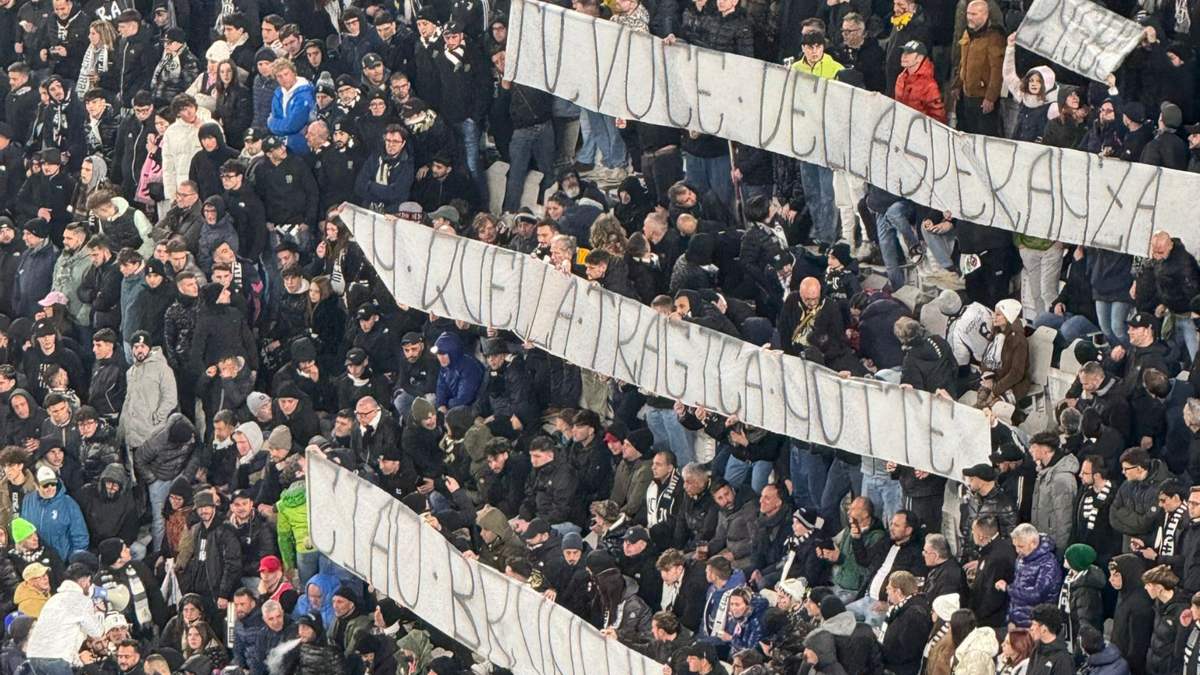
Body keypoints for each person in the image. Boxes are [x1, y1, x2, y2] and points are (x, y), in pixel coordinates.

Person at [23, 562, 104, 673]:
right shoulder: (82, 600)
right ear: (84, 580)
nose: (89, 586)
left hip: (34, 655)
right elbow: (96, 632)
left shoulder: (53, 599)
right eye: (89, 582)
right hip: (56, 658)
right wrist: (99, 612)